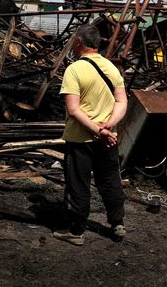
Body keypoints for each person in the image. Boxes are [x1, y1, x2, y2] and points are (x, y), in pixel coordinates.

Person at [52, 25, 128, 246]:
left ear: (78, 42)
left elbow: (74, 110)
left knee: (78, 185)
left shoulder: (74, 70)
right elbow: (122, 102)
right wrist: (108, 126)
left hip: (80, 140)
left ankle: (76, 232)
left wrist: (97, 131)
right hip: (108, 139)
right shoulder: (112, 69)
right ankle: (117, 224)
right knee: (111, 180)